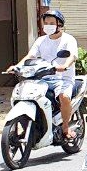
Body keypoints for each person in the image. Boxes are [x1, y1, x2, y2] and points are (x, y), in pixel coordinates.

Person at [11, 9, 78, 140]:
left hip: (63, 78)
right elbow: (31, 56)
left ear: (59, 24)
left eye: (51, 23)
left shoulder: (69, 39)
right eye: (46, 23)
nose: (48, 25)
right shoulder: (40, 40)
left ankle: (65, 127)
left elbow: (72, 56)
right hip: (43, 78)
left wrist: (64, 66)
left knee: (64, 97)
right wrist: (17, 66)